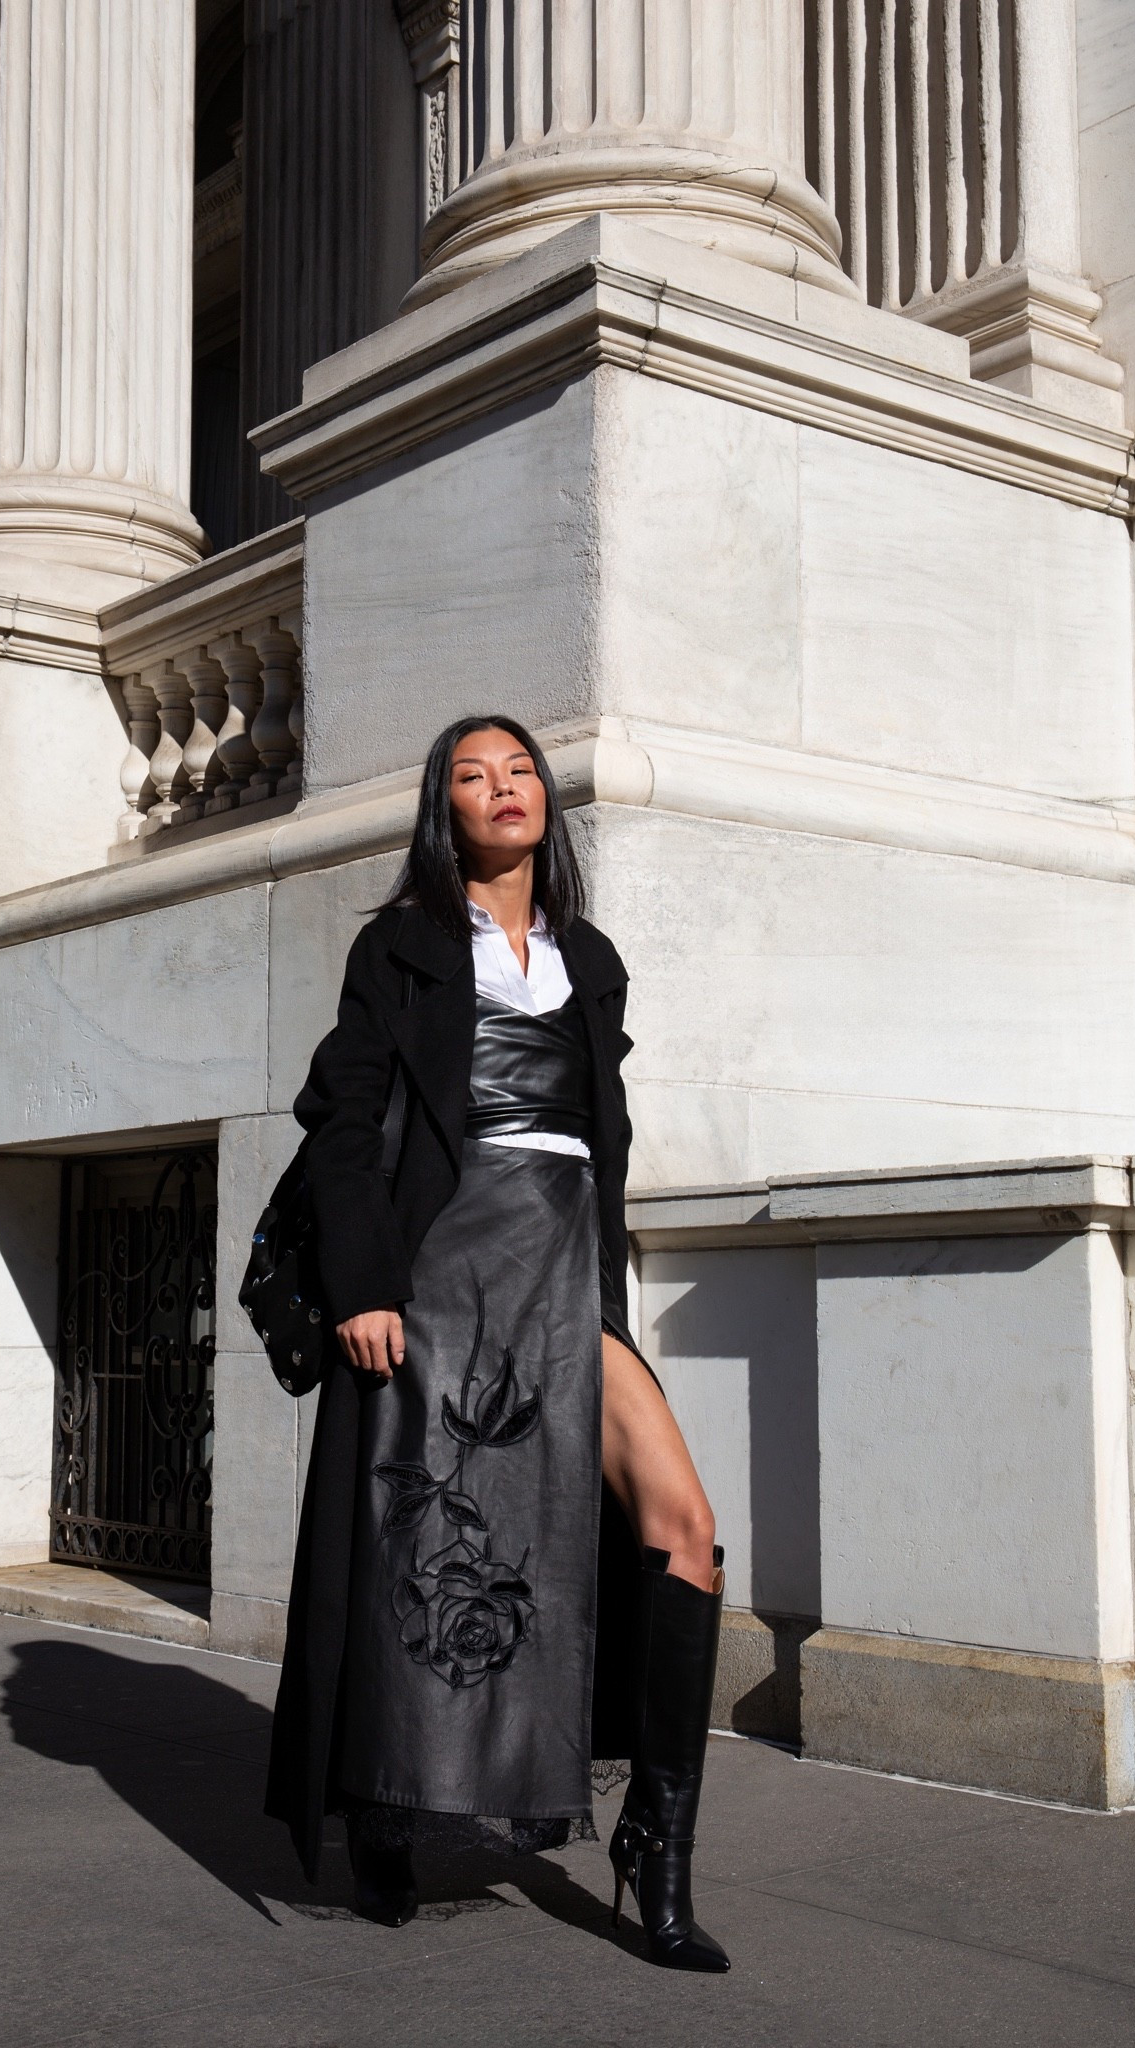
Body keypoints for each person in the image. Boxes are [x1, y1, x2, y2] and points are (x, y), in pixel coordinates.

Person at [265, 715, 729, 1973]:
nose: (502, 787)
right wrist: (364, 1279)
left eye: (519, 769)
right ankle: (387, 1806)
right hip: (443, 1270)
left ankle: (657, 1847)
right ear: (445, 809)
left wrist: (606, 1286)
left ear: (545, 800)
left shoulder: (589, 956)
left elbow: (600, 1138)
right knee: (415, 1536)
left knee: (682, 1530)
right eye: (473, 775)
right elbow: (343, 1116)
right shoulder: (401, 946)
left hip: (569, 1271)